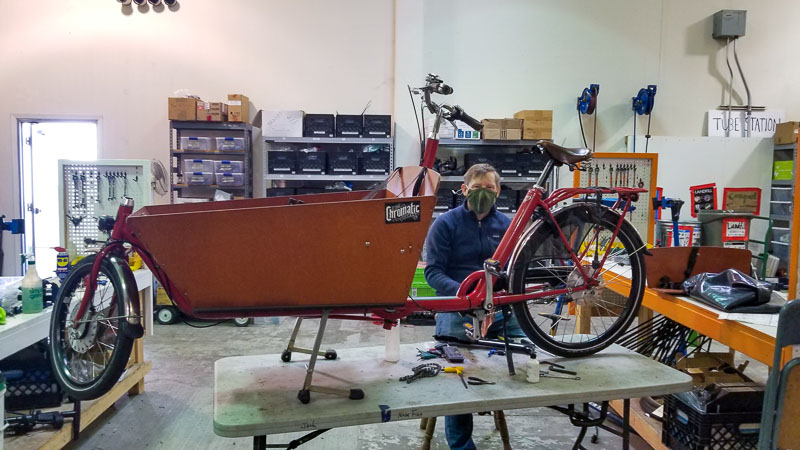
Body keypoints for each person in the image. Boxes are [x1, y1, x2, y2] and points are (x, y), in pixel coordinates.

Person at [424, 163, 524, 450]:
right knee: (459, 376)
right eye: (477, 188)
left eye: (489, 188)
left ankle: (503, 396)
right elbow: (433, 272)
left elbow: (514, 270)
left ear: (498, 191)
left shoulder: (507, 226)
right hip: (459, 307)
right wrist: (464, 293)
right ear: (464, 189)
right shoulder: (445, 224)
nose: (483, 193)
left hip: (499, 309)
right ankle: (461, 444)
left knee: (531, 359)